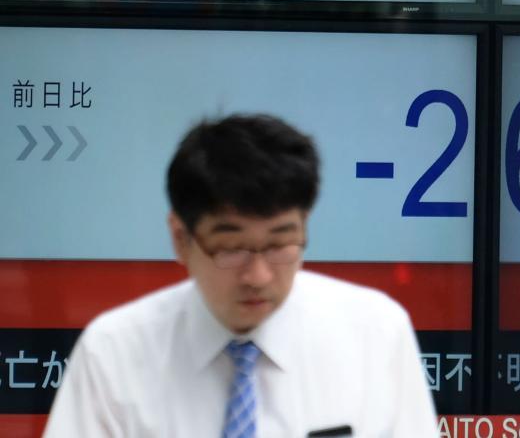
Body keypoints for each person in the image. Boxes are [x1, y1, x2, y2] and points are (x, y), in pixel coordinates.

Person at [43, 113, 439, 437]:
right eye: (232, 249)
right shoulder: (114, 353)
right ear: (181, 239)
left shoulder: (375, 333)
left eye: (280, 244)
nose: (259, 275)